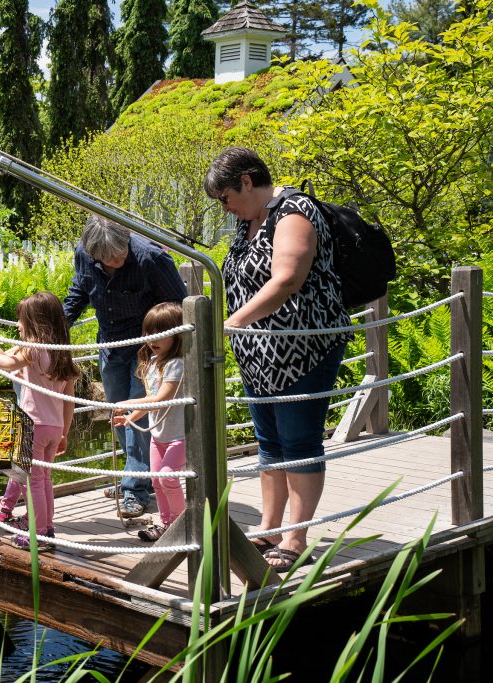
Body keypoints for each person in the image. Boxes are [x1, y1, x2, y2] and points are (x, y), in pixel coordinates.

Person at [205, 147, 352, 572]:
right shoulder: (250, 218)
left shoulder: (294, 211)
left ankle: (296, 535)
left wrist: (231, 322)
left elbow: (287, 279)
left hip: (302, 349)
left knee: (299, 442)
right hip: (259, 355)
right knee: (270, 443)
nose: (224, 205)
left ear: (247, 181)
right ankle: (269, 527)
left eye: (226, 196)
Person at [63, 215, 188, 518]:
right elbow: (79, 293)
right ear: (92, 253)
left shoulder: (151, 258)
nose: (116, 259)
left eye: (121, 252)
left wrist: (166, 346)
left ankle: (135, 489)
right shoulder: (84, 254)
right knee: (118, 410)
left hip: (148, 347)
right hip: (110, 343)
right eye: (108, 257)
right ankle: (134, 475)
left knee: (137, 413)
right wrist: (54, 329)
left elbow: (180, 305)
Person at [0, 291, 79, 552]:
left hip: (33, 426)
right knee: (45, 479)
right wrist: (65, 432)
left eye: (21, 320)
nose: (18, 324)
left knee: (33, 482)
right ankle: (47, 528)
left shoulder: (32, 348)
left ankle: (38, 533)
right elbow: (69, 401)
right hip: (53, 428)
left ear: (35, 322)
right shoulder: (61, 352)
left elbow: (7, 363)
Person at [112, 303, 187, 542]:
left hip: (178, 435)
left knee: (167, 477)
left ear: (176, 335)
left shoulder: (177, 363)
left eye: (160, 333)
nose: (152, 339)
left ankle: (181, 522)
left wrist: (129, 403)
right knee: (156, 480)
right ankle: (166, 523)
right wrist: (131, 417)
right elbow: (152, 401)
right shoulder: (152, 362)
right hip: (159, 436)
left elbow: (162, 398)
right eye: (148, 332)